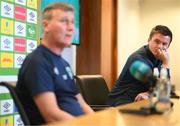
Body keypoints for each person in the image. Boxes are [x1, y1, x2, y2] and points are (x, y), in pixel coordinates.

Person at [15, 3, 94, 125]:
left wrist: (98, 121)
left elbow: (83, 105)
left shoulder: (65, 64)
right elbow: (52, 116)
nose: (71, 28)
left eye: (72, 22)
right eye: (64, 21)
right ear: (46, 26)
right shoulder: (37, 62)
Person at [107, 25, 172, 106]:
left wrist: (149, 93)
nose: (160, 46)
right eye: (157, 41)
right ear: (149, 40)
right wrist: (166, 63)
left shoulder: (159, 57)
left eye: (164, 44)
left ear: (168, 46)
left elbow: (163, 87)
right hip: (120, 103)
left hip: (138, 101)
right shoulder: (138, 58)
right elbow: (161, 87)